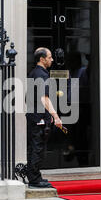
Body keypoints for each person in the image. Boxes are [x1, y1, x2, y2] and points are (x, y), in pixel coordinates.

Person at [26, 47, 63, 189]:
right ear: (42, 59)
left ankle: (35, 176)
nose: (52, 59)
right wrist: (56, 116)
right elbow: (44, 98)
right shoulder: (41, 75)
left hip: (35, 116)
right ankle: (34, 180)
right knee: (38, 147)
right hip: (39, 118)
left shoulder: (34, 73)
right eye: (49, 57)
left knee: (36, 147)